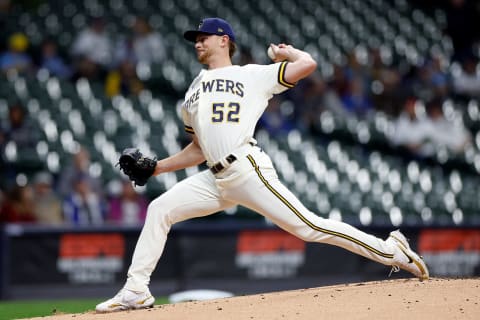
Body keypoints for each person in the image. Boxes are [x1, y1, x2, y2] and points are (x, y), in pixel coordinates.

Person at [96, 18, 429, 312]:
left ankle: (392, 251)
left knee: (308, 227)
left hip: (247, 168)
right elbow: (198, 148)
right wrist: (157, 169)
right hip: (215, 178)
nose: (197, 42)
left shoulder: (251, 76)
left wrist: (289, 53)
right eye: (195, 39)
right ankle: (135, 291)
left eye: (203, 36)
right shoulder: (193, 91)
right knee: (159, 208)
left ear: (223, 40)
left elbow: (308, 64)